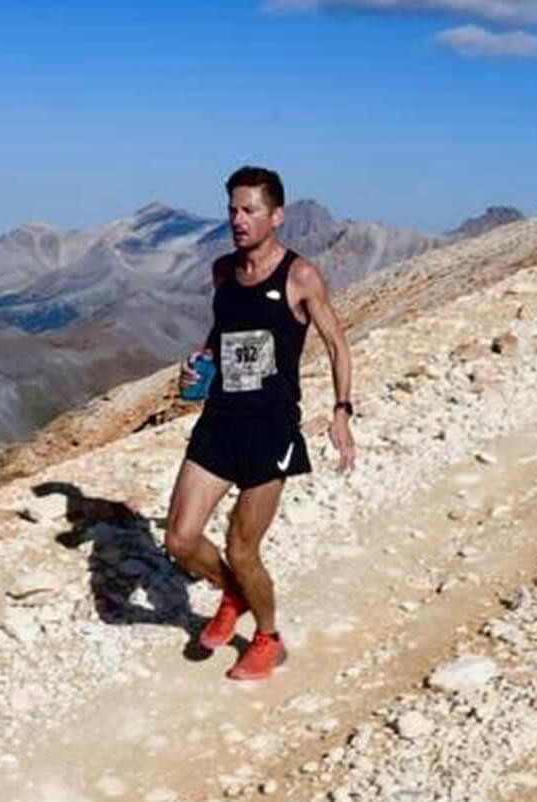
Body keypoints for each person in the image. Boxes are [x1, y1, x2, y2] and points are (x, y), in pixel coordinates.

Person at [165, 165, 355, 680]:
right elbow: (223, 331)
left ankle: (268, 637)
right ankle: (233, 592)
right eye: (232, 209)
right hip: (219, 419)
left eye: (249, 210)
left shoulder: (300, 275)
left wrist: (341, 411)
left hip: (270, 429)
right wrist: (199, 362)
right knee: (180, 540)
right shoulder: (223, 272)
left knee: (241, 547)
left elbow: (337, 343)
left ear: (277, 216)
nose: (238, 219)